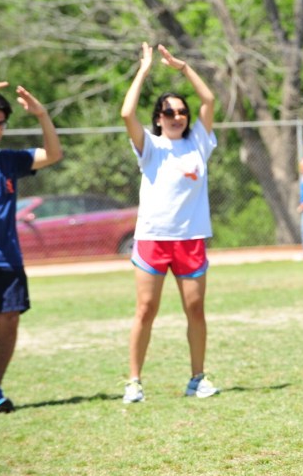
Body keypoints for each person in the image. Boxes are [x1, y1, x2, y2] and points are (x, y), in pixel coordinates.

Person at [120, 42, 220, 403]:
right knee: (146, 310)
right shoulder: (151, 145)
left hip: (190, 239)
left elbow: (209, 99)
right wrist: (144, 70)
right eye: (168, 111)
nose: (176, 116)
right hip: (153, 239)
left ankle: (197, 378)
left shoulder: (198, 143)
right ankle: (134, 381)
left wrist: (184, 68)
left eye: (181, 111)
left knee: (195, 309)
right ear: (158, 117)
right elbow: (126, 112)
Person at [0, 81, 63, 413]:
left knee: (9, 320)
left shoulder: (8, 161)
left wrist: (42, 114)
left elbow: (53, 155)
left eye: (1, 124)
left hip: (6, 258)